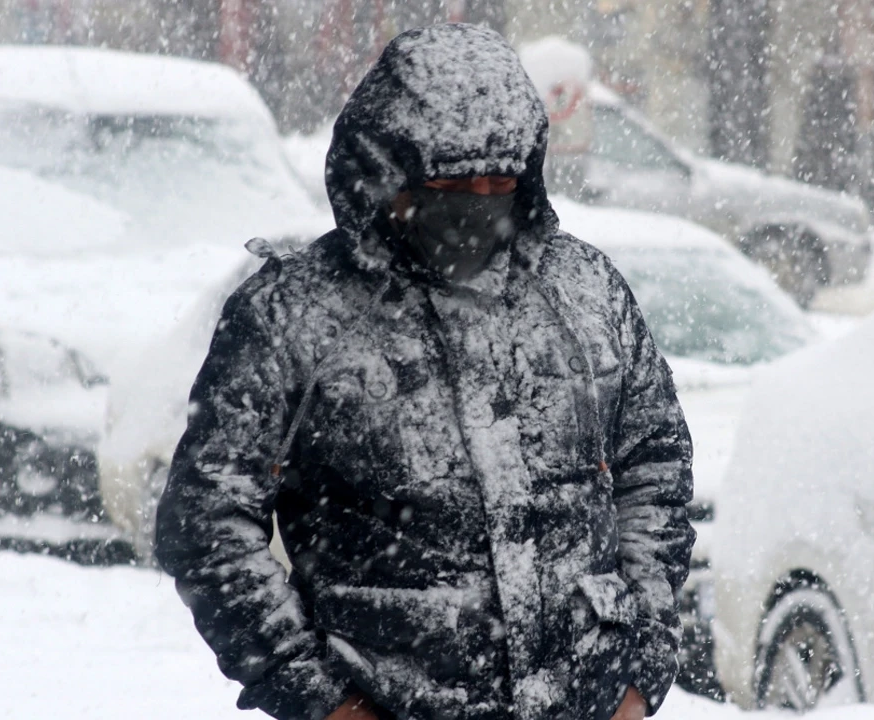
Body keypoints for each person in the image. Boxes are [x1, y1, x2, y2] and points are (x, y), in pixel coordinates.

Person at [154, 23, 695, 720]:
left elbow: (655, 466)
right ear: (384, 173)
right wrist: (322, 696)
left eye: (498, 181)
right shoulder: (295, 315)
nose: (477, 201)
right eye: (451, 182)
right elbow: (207, 523)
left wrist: (639, 666)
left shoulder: (585, 292)